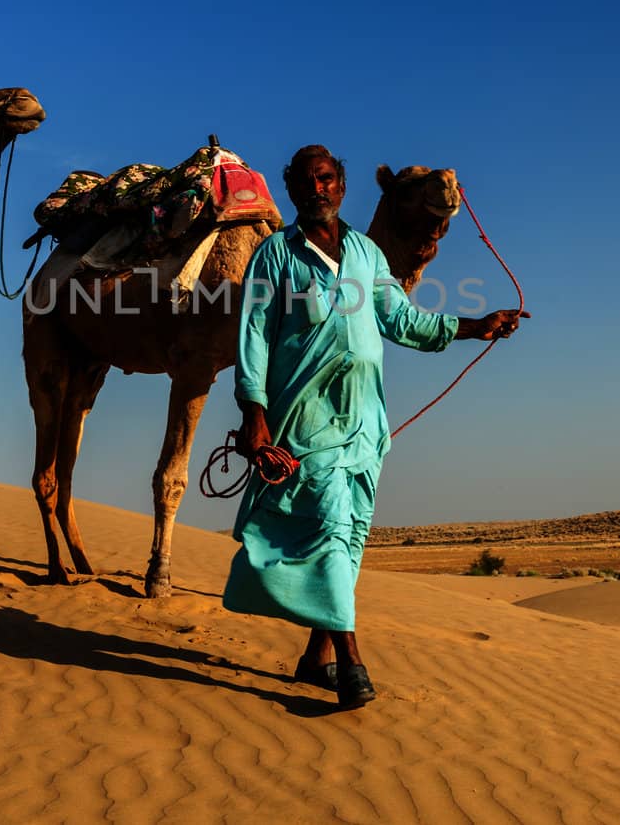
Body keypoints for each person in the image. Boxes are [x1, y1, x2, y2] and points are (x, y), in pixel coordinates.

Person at [223, 144, 522, 709]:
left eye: (327, 178)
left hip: (365, 421)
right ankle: (353, 663)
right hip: (305, 419)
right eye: (307, 181)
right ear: (292, 190)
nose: (318, 188)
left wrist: (473, 325)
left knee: (351, 536)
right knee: (332, 526)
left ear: (341, 185)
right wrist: (253, 413)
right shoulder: (274, 257)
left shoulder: (365, 253)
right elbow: (254, 337)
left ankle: (316, 657)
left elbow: (401, 319)